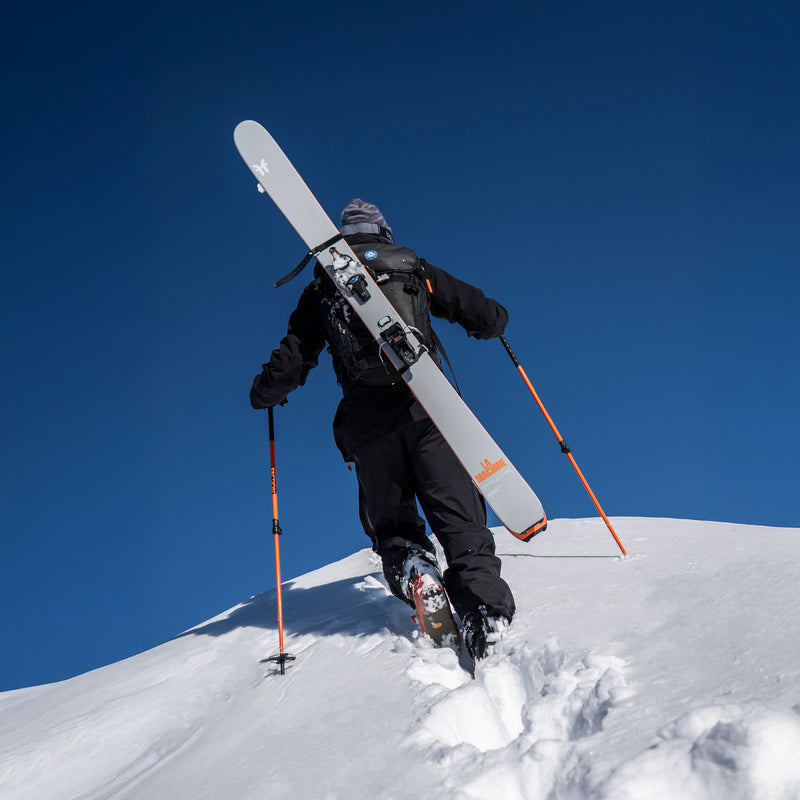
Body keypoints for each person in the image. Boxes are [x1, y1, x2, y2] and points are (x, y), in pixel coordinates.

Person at [250, 199, 514, 659]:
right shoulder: (412, 267)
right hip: (430, 413)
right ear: (383, 232)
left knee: (393, 525)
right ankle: (484, 614)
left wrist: (265, 391)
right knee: (461, 524)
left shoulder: (321, 289)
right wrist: (495, 320)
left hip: (369, 429)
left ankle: (414, 570)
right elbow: (484, 316)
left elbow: (292, 359)